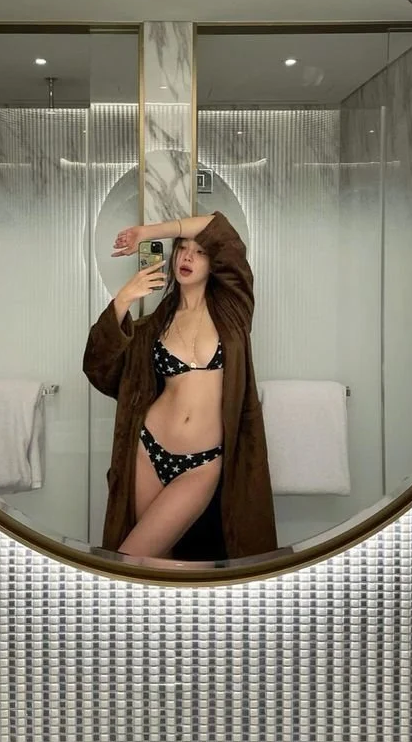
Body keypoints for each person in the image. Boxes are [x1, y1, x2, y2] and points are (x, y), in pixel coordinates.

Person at [83, 211, 277, 561]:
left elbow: (219, 228)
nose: (187, 257)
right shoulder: (155, 326)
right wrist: (123, 300)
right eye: (182, 249)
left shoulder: (234, 310)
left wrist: (147, 232)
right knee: (155, 563)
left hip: (202, 462)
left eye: (199, 252)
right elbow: (99, 366)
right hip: (148, 450)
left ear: (214, 261)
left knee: (134, 559)